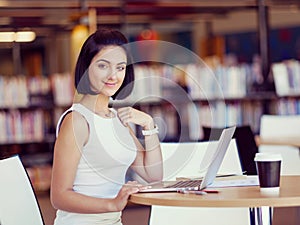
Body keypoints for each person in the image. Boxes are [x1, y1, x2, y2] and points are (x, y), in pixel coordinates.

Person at [50, 27, 163, 225]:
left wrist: (148, 124)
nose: (113, 75)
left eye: (120, 67)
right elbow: (59, 196)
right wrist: (112, 204)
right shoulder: (77, 120)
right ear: (86, 68)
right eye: (103, 66)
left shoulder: (117, 119)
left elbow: (153, 175)